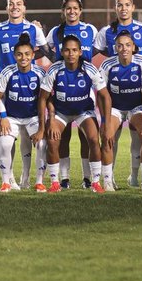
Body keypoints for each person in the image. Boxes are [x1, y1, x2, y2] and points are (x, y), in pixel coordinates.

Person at [0, 0, 49, 189]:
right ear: (7, 8)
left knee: (28, 138)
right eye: (11, 4)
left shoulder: (34, 29)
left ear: (24, 8)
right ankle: (8, 177)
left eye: (19, 4)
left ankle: (26, 178)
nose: (15, 7)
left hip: (28, 86)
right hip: (6, 88)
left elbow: (47, 52)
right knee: (7, 138)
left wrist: (28, 58)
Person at [94, 0, 142, 188]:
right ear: (115, 47)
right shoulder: (107, 63)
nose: (124, 48)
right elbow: (101, 95)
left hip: (136, 105)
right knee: (108, 137)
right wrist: (104, 121)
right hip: (115, 106)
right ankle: (107, 181)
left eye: (128, 45)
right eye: (120, 46)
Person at [38, 34, 111, 193]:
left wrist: (106, 122)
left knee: (93, 139)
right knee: (52, 140)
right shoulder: (55, 69)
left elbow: (105, 96)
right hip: (61, 112)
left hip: (84, 111)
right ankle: (55, 182)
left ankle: (95, 182)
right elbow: (43, 98)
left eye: (74, 50)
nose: (71, 54)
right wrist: (47, 123)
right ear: (62, 52)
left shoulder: (89, 69)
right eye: (67, 50)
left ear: (80, 52)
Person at [46, 0, 98, 189]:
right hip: (63, 85)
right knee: (63, 136)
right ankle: (64, 179)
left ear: (80, 11)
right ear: (63, 11)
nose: (72, 11)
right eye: (68, 8)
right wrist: (55, 60)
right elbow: (44, 49)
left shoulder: (90, 29)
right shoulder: (56, 32)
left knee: (87, 137)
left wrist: (85, 63)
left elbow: (99, 48)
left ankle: (87, 178)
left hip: (84, 87)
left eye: (75, 8)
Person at [0, 33, 48, 192]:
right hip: (12, 118)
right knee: (5, 144)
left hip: (33, 117)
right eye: (20, 54)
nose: (24, 58)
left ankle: (37, 181)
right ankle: (6, 182)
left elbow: (45, 100)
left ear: (33, 55)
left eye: (27, 54)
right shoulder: (7, 72)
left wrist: (43, 127)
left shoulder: (40, 73)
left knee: (42, 144)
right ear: (14, 56)